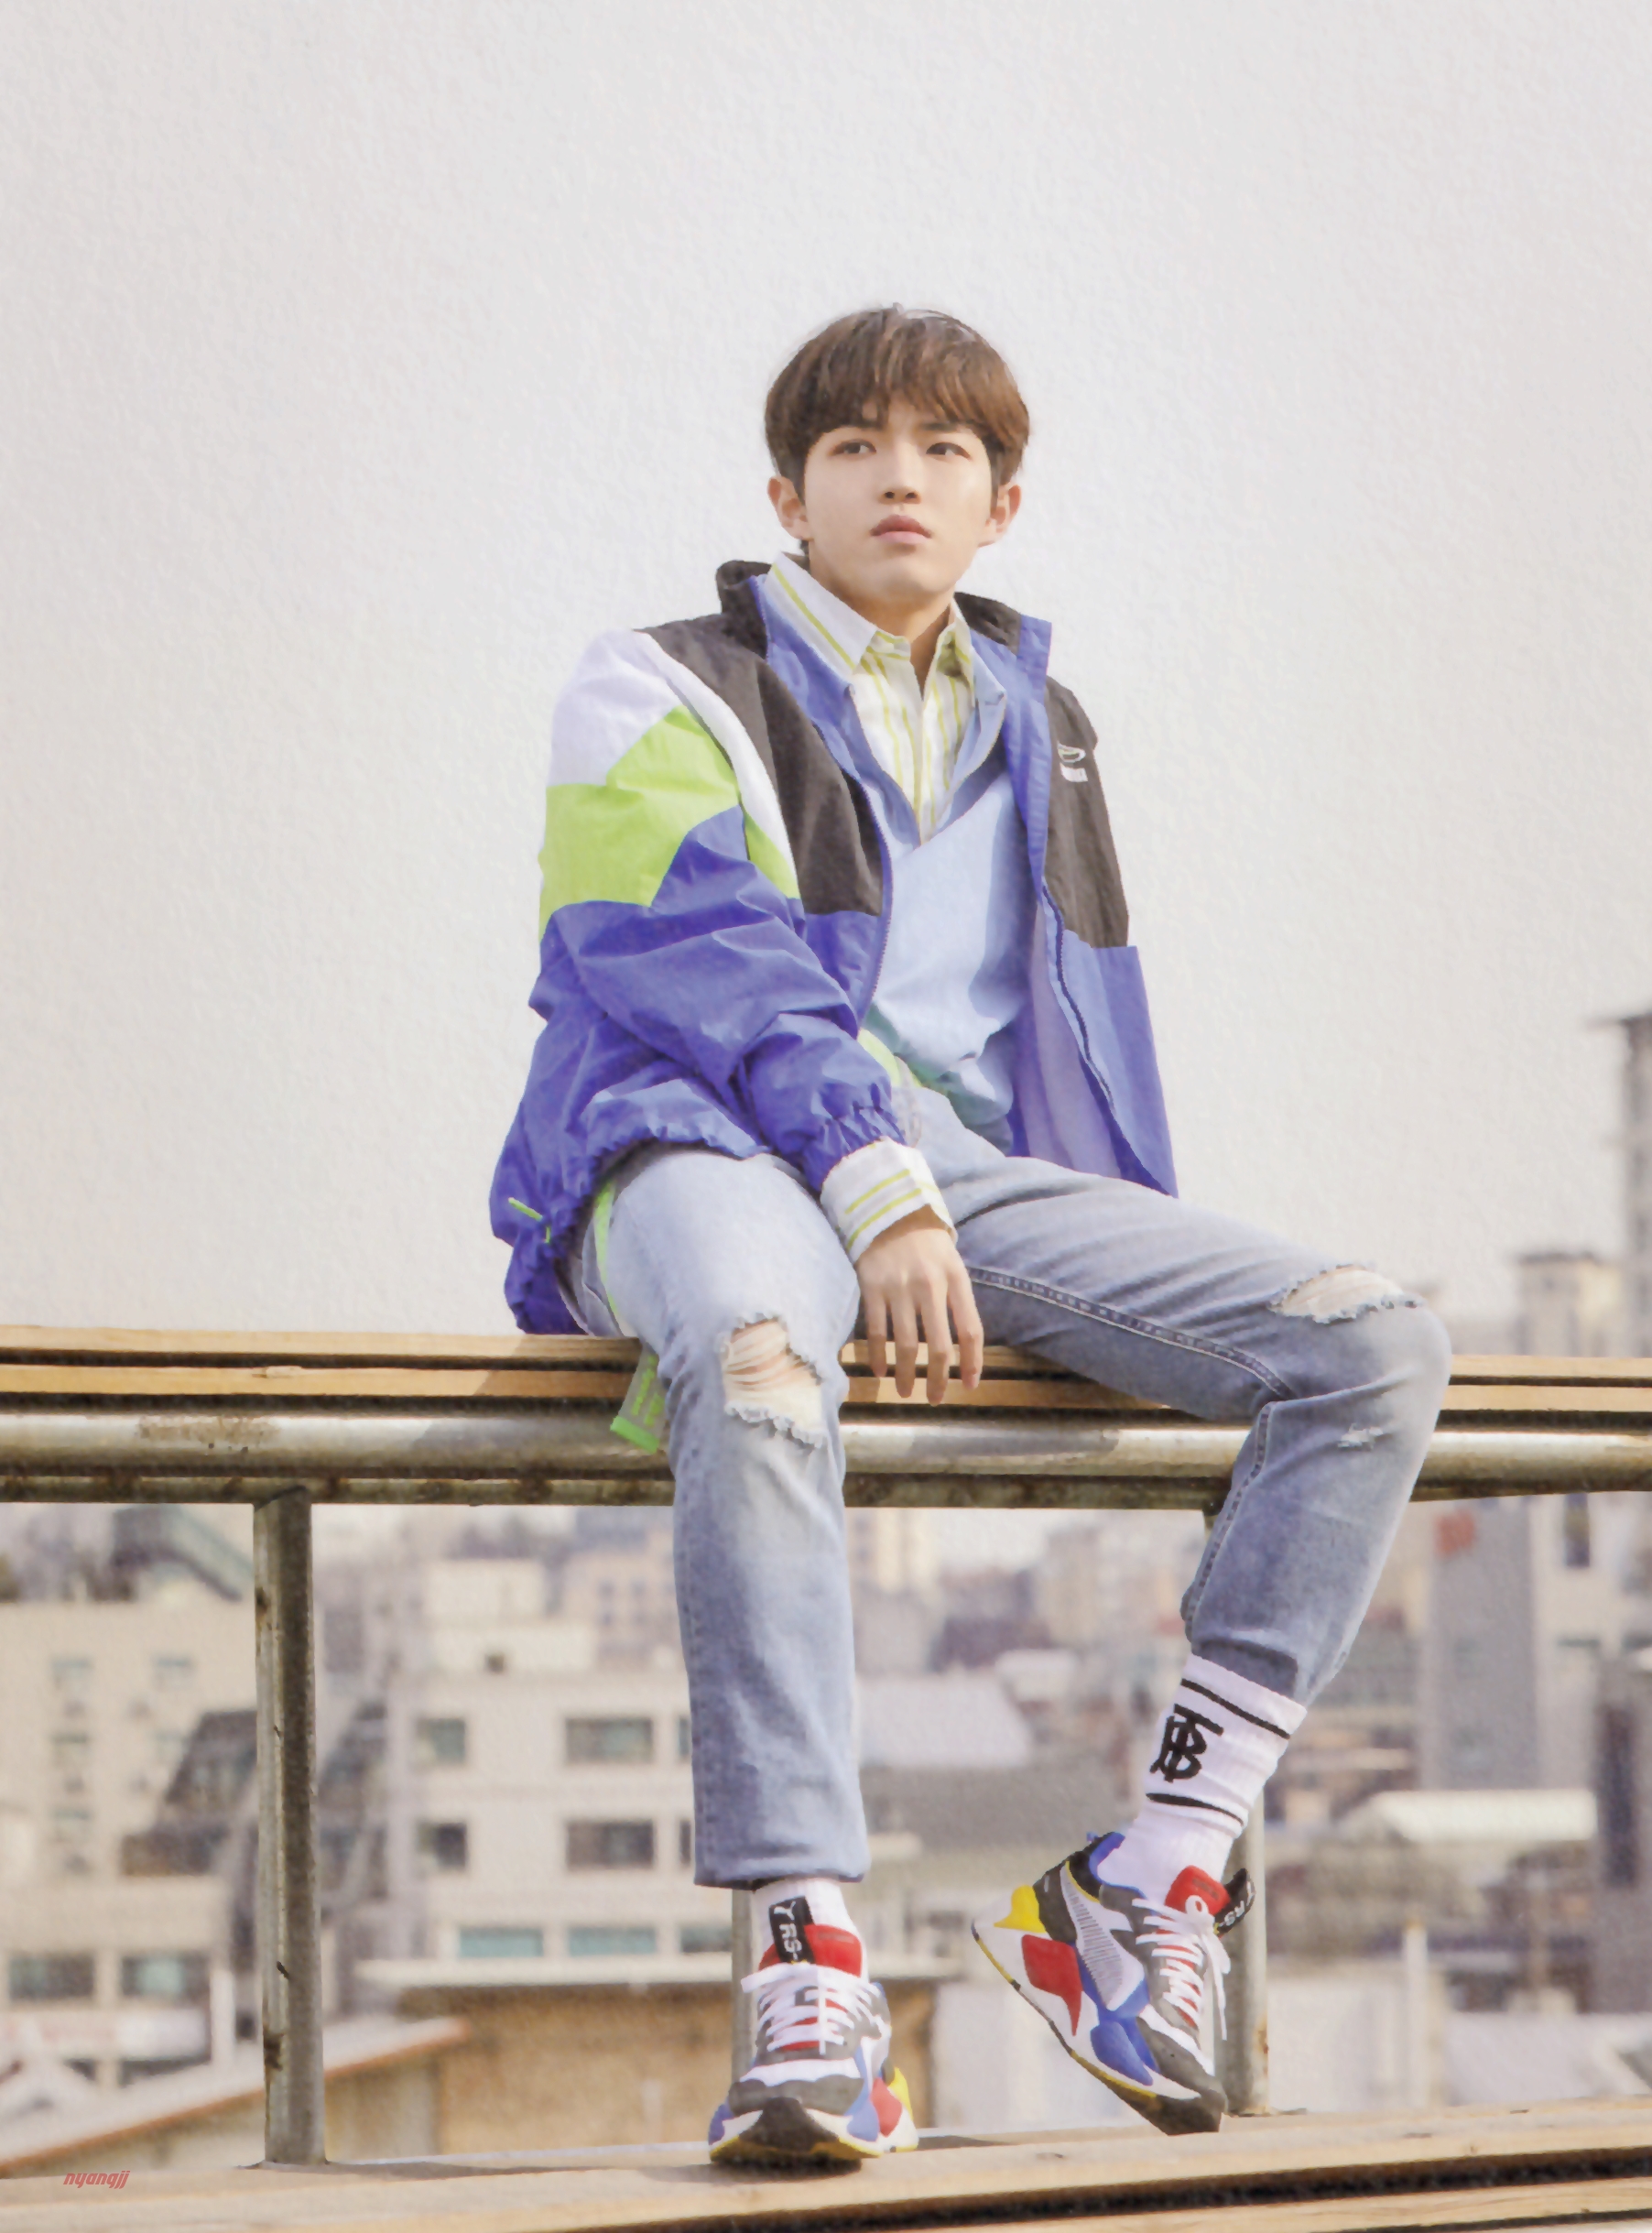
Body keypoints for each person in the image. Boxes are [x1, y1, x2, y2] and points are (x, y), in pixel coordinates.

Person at [492, 307, 1451, 2162]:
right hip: (692, 1141)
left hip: (949, 1187)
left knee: (1368, 1342)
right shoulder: (649, 684)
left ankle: (1149, 1879)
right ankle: (808, 1966)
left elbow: (1081, 1033)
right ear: (787, 495)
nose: (898, 477)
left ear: (1001, 502)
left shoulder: (1042, 722)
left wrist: (1116, 1273)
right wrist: (874, 1184)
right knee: (762, 1364)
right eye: (852, 446)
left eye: (943, 449)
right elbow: (693, 962)